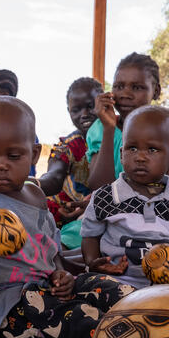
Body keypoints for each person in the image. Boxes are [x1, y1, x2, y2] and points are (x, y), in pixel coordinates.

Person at [0, 96, 132, 338]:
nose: (0, 165)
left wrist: (61, 274)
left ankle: (150, 313)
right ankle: (131, 337)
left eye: (13, 156)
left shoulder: (36, 196)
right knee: (79, 317)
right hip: (2, 304)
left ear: (34, 154)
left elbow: (50, 250)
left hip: (45, 288)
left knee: (107, 288)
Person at [80, 106, 169, 289]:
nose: (140, 157)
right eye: (132, 148)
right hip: (120, 282)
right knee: (89, 285)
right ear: (121, 154)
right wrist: (93, 262)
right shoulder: (105, 198)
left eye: (152, 150)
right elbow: (90, 236)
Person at [87, 53, 169, 194]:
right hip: (109, 208)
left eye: (137, 88)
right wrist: (109, 129)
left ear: (156, 91)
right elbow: (99, 190)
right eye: (119, 87)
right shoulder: (100, 127)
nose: (125, 94)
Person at [40, 77, 102, 249]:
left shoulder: (118, 138)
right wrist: (34, 183)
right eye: (76, 110)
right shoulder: (68, 145)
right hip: (62, 212)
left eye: (91, 106)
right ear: (68, 111)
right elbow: (54, 176)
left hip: (97, 210)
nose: (84, 114)